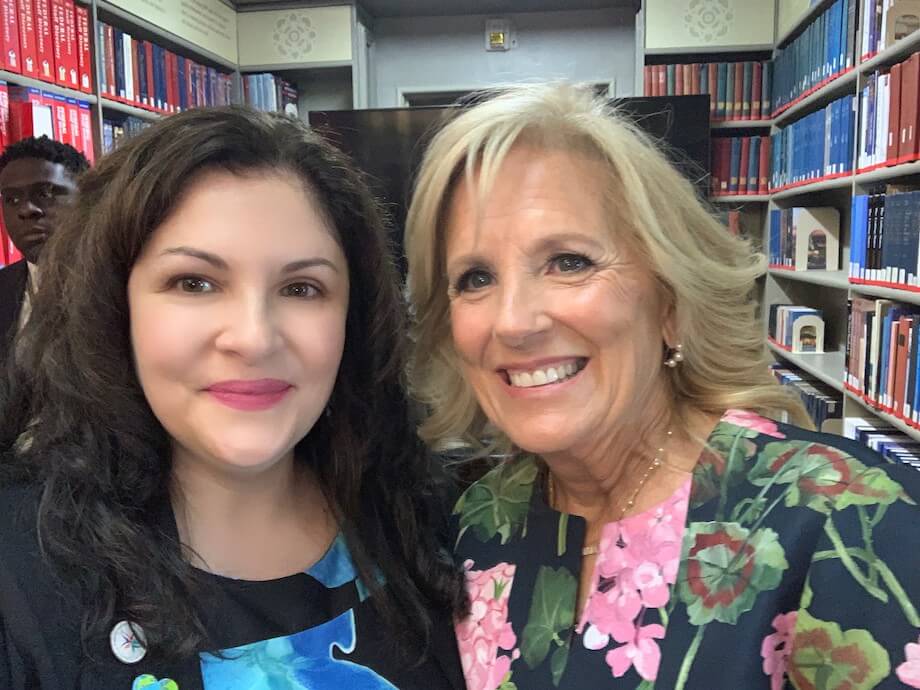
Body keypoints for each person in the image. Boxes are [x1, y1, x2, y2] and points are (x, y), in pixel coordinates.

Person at [404, 83, 920, 689]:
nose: (514, 321)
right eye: (475, 277)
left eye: (569, 262)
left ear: (671, 301)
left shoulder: (855, 525)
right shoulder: (482, 520)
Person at [0, 108, 466, 688]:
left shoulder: (434, 522)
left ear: (355, 318)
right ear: (116, 308)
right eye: (194, 283)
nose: (253, 337)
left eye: (301, 288)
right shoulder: (20, 572)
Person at [0, 136, 88, 366]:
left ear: (87, 201)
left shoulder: (124, 283)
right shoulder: (3, 286)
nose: (26, 210)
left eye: (45, 193)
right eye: (12, 199)